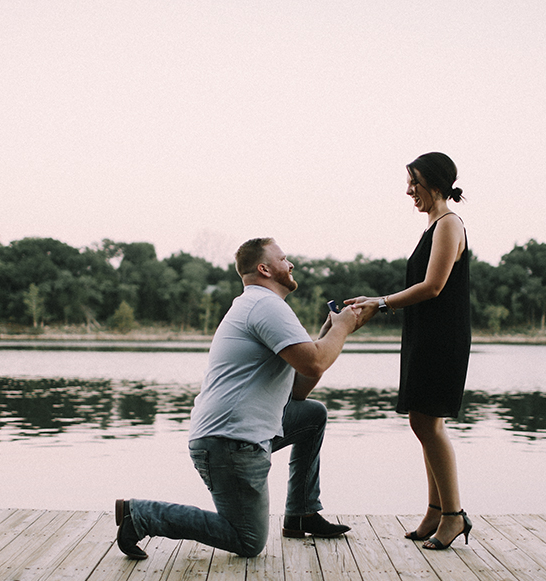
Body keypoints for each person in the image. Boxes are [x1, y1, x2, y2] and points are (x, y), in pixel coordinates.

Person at [115, 237, 361, 559]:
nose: (291, 264)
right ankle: (142, 514)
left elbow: (299, 389)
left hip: (234, 434)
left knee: (311, 416)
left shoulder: (259, 305)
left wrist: (330, 334)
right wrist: (341, 329)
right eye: (284, 259)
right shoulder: (266, 306)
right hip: (230, 442)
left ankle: (301, 512)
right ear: (265, 268)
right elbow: (315, 361)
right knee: (248, 541)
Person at [347, 151, 472, 550]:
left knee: (428, 423)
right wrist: (376, 299)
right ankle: (436, 511)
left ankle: (453, 515)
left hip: (442, 338)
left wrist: (380, 302)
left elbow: (433, 286)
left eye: (414, 182)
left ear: (435, 184)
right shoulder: (434, 226)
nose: (408, 191)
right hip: (424, 335)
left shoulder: (449, 225)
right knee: (422, 422)